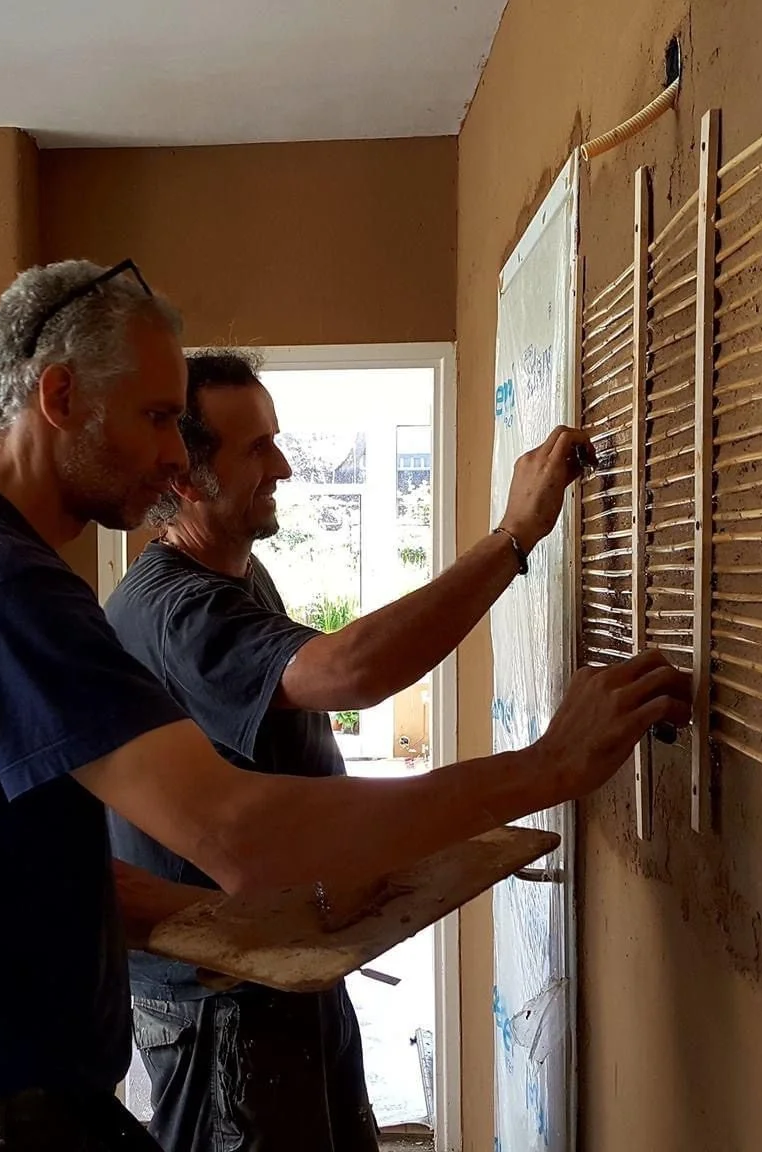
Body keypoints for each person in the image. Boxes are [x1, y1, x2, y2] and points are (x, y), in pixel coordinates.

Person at [0, 259, 692, 1152]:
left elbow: (26, 871)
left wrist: (245, 929)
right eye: (159, 418)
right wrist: (546, 768)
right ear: (60, 396)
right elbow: (243, 835)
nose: (172, 456)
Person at [103, 349, 592, 1152]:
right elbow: (350, 671)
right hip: (227, 1007)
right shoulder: (179, 615)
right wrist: (513, 536)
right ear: (186, 481)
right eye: (255, 448)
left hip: (284, 968)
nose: (285, 467)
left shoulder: (233, 572)